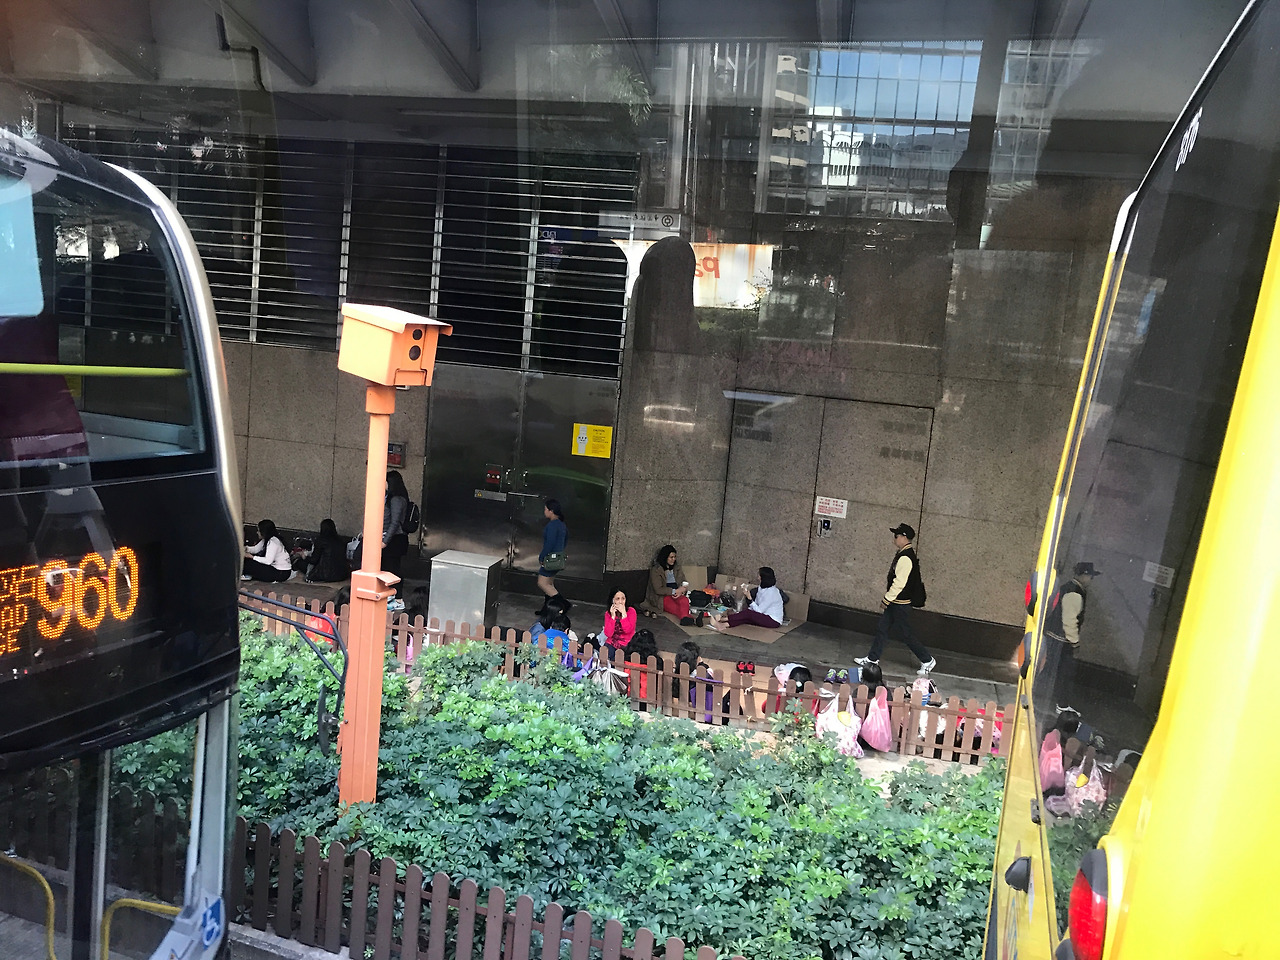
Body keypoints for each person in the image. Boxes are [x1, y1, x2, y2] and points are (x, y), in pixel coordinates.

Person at [855, 523, 936, 675]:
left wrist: (887, 599)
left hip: (900, 604)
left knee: (905, 633)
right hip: (896, 602)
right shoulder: (903, 554)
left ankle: (927, 660)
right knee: (882, 628)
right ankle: (872, 659)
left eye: (896, 536)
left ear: (904, 537)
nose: (894, 539)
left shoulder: (906, 557)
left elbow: (899, 583)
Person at [1040, 561, 1100, 713]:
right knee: (1063, 673)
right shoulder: (1075, 593)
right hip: (1060, 641)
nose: (1091, 580)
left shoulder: (1068, 588)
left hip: (1053, 637)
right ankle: (1061, 705)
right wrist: (1075, 642)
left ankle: (1043, 698)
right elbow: (1069, 621)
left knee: (1048, 670)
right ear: (1084, 575)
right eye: (1091, 576)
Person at [709, 567, 784, 630]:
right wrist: (741, 613)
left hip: (773, 620)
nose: (757, 577)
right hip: (763, 616)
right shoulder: (761, 588)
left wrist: (750, 598)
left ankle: (722, 619)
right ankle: (723, 625)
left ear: (762, 577)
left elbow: (759, 611)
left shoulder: (771, 593)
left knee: (748, 614)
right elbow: (756, 605)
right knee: (746, 618)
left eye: (759, 575)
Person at [382, 470, 411, 609]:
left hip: (395, 539)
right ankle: (394, 598)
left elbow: (394, 523)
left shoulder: (396, 499)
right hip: (396, 539)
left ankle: (398, 599)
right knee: (391, 569)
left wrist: (385, 541)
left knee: (392, 570)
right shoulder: (395, 497)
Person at [644, 544, 694, 623]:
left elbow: (683, 581)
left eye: (675, 557)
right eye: (671, 557)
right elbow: (658, 589)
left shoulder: (677, 568)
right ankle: (690, 619)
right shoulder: (656, 570)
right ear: (665, 557)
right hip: (662, 596)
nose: (673, 559)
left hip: (677, 593)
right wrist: (674, 591)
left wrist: (681, 591)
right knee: (675, 607)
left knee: (684, 601)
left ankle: (686, 619)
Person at [536, 498, 568, 614]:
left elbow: (549, 543)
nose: (544, 511)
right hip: (558, 559)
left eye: (545, 509)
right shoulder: (562, 525)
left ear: (551, 511)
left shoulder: (552, 525)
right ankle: (547, 609)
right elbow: (565, 541)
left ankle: (563, 603)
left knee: (542, 583)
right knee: (549, 584)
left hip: (550, 559)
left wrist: (542, 557)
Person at [305, 518, 349, 583]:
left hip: (325, 575)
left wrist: (304, 557)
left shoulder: (321, 540)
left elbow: (313, 560)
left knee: (299, 563)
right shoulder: (340, 540)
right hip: (341, 575)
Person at [600, 586, 637, 660]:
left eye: (623, 599)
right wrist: (612, 617)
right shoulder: (608, 613)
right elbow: (608, 634)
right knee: (605, 658)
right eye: (617, 599)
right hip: (612, 643)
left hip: (627, 644)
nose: (621, 602)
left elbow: (628, 630)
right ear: (613, 600)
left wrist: (624, 614)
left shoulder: (631, 611)